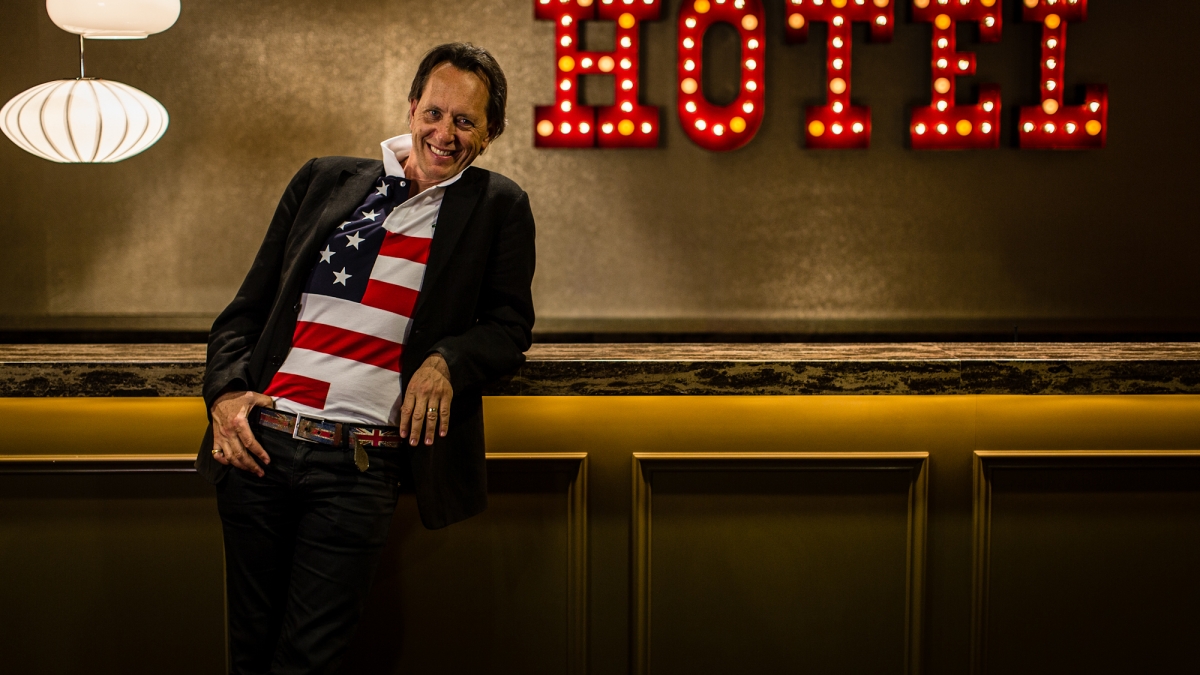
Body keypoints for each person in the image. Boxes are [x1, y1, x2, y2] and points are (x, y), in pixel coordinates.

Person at [194, 43, 535, 675]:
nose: (445, 133)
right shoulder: (324, 180)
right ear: (411, 108)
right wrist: (225, 395)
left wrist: (446, 360)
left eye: (465, 121)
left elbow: (510, 328)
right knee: (249, 655)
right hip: (258, 448)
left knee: (308, 661)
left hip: (358, 465)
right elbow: (244, 312)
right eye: (434, 113)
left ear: (491, 133)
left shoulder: (498, 207)